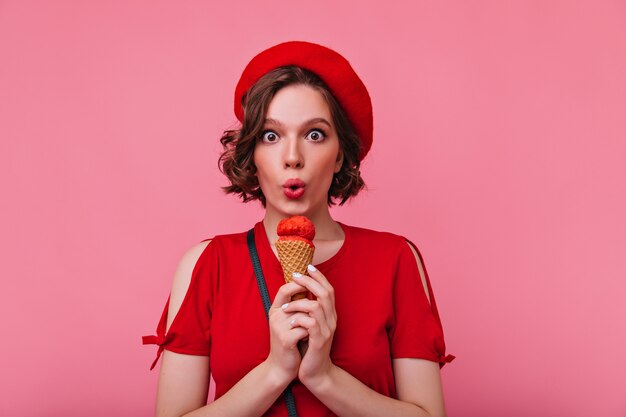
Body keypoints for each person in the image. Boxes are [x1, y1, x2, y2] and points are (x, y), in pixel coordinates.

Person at [143, 40, 455, 417]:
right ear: (252, 153)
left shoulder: (396, 259)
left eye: (315, 134)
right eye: (271, 136)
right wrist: (276, 370)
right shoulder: (208, 263)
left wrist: (324, 377)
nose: (292, 157)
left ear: (341, 154)